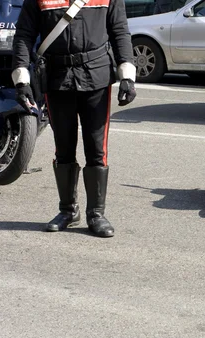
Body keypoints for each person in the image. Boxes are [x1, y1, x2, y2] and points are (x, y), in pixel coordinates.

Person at [11, 0, 138, 238]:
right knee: (64, 148)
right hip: (57, 80)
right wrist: (21, 79)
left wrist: (127, 75)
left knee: (96, 148)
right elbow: (24, 35)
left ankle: (96, 214)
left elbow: (119, 30)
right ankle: (68, 210)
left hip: (97, 77)